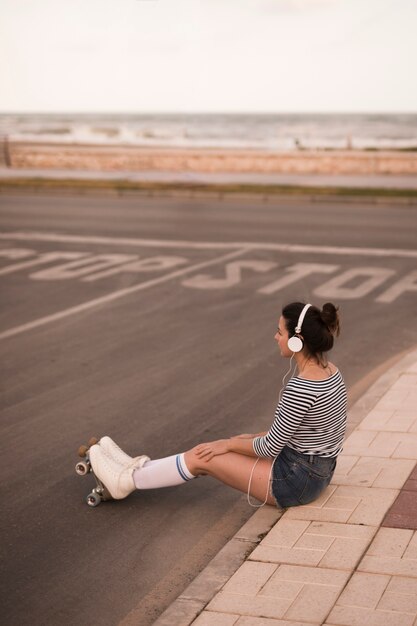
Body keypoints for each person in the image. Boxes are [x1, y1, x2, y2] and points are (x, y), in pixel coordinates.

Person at [88, 301, 347, 509]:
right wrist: (239, 440)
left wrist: (228, 444)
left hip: (295, 482)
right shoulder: (330, 371)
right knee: (225, 445)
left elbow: (270, 447)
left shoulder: (302, 387)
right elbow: (298, 434)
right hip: (315, 471)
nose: (275, 336)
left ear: (295, 341)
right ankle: (135, 469)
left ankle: (126, 481)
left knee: (206, 457)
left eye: (280, 331)